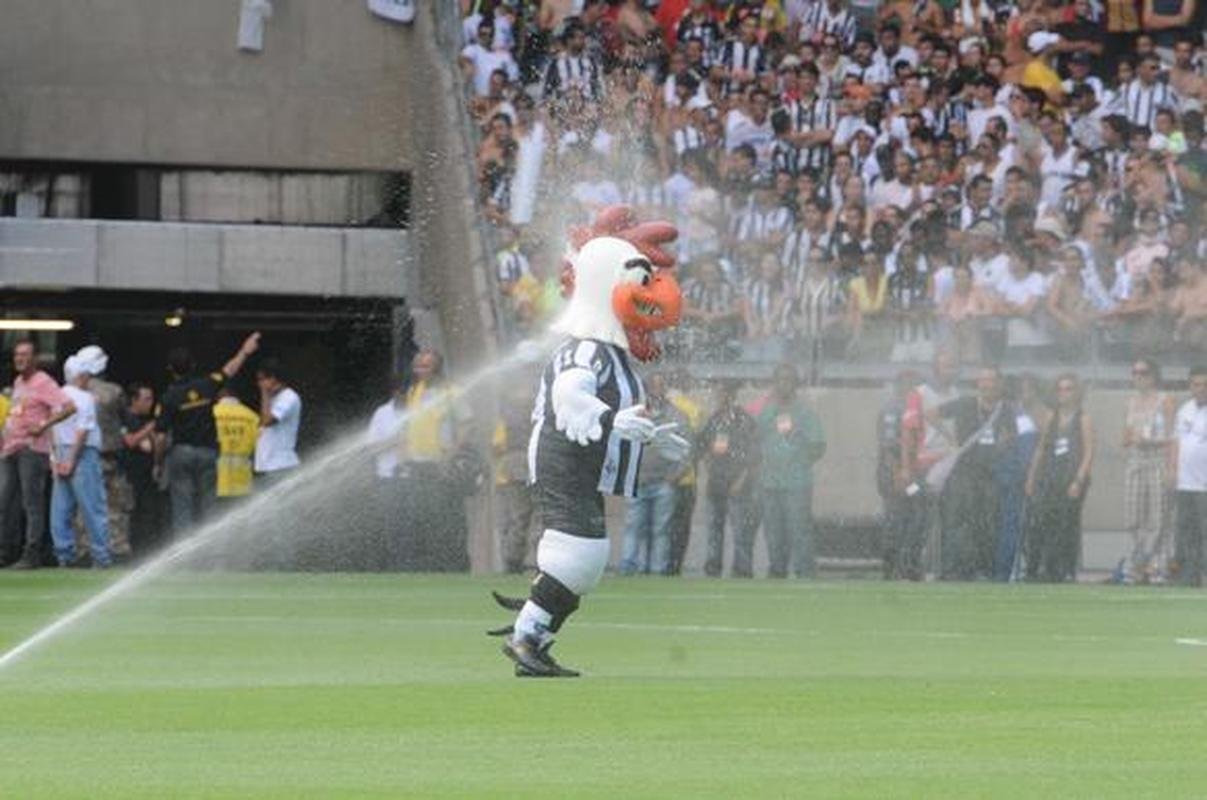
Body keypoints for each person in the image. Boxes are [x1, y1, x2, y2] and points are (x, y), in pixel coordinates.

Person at [495, 207, 688, 678]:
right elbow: (568, 393)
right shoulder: (586, 347)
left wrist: (651, 437)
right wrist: (611, 419)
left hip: (581, 459)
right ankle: (526, 634)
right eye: (640, 279)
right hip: (564, 455)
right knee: (580, 554)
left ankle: (535, 631)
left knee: (586, 557)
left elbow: (619, 413)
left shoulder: (611, 352)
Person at [155, 333, 260, 537]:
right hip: (208, 453)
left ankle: (183, 555)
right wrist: (244, 351)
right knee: (210, 506)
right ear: (193, 365)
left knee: (182, 507)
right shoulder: (207, 384)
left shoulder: (168, 397)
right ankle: (211, 557)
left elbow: (160, 436)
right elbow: (229, 370)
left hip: (181, 454)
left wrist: (158, 463)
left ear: (170, 369)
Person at [928, 365, 1017, 580]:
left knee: (986, 522)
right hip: (963, 472)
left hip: (988, 473)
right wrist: (950, 438)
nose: (986, 385)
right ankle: (954, 569)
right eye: (982, 380)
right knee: (958, 521)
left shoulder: (1005, 409)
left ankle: (982, 569)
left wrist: (1003, 446)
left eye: (991, 380)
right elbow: (931, 413)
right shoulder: (966, 403)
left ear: (999, 384)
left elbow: (1011, 435)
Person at [398, 349, 477, 572]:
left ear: (438, 368)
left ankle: (455, 567)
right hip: (417, 465)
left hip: (442, 466)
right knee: (420, 517)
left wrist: (452, 453)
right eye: (418, 366)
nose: (420, 371)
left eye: (426, 366)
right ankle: (426, 567)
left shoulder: (452, 392)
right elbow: (408, 425)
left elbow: (467, 424)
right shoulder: (414, 391)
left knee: (448, 518)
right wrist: (403, 452)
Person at [1, 340, 76, 568]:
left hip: (31, 449)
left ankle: (32, 553)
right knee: (5, 501)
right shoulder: (18, 382)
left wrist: (44, 425)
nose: (19, 359)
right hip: (11, 448)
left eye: (24, 355)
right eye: (17, 355)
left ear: (35, 359)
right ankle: (6, 551)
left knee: (31, 503)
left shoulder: (43, 381)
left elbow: (69, 407)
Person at [756, 363, 826, 579]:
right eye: (780, 380)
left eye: (788, 380)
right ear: (774, 384)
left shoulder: (805, 414)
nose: (784, 384)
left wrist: (798, 451)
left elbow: (818, 447)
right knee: (774, 534)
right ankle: (777, 572)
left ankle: (805, 574)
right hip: (770, 483)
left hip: (796, 484)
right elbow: (756, 443)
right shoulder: (766, 413)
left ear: (795, 384)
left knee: (799, 532)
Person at [618, 373, 689, 575]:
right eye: (652, 386)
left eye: (660, 386)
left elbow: (687, 449)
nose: (656, 391)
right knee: (633, 527)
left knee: (661, 530)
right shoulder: (634, 414)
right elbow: (622, 442)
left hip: (664, 483)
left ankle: (658, 569)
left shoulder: (676, 415)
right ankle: (628, 567)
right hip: (637, 482)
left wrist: (674, 476)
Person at [1025, 374, 1094, 582]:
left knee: (1067, 524)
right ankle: (1043, 567)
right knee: (1044, 522)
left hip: (1071, 476)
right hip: (1051, 474)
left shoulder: (1083, 418)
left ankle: (1065, 569)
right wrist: (1031, 477)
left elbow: (1089, 451)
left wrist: (1078, 480)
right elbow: (1041, 448)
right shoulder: (1051, 417)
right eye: (1061, 389)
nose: (1064, 393)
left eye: (1069, 388)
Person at [1118, 357, 1176, 583]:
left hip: (1158, 460)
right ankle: (1137, 564)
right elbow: (1125, 435)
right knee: (1133, 517)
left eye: (1142, 373)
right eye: (1134, 373)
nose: (1138, 377)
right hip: (1135, 461)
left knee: (1159, 516)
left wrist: (1152, 441)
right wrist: (1129, 438)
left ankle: (1158, 567)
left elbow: (1173, 437)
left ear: (1153, 376)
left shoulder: (1166, 400)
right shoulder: (1130, 402)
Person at [49, 356, 110, 568]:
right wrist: (72, 460)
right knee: (93, 507)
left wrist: (55, 460)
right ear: (82, 376)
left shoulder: (56, 396)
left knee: (60, 509)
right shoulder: (85, 398)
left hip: (59, 451)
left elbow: (49, 429)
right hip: (83, 453)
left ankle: (64, 556)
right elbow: (83, 431)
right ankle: (101, 556)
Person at [73, 345, 133, 562]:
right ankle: (116, 548)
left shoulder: (74, 392)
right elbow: (127, 419)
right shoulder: (114, 392)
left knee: (83, 504)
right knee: (114, 505)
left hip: (80, 455)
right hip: (110, 457)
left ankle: (83, 549)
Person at [696, 379, 760, 577]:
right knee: (714, 531)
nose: (718, 397)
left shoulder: (744, 420)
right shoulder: (714, 419)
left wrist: (741, 480)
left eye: (722, 393)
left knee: (740, 531)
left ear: (732, 395)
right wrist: (708, 466)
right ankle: (713, 568)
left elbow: (753, 455)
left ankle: (742, 570)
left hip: (738, 485)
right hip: (716, 484)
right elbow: (702, 446)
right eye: (717, 393)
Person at [492, 379, 538, 574]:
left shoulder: (507, 421)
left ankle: (512, 560)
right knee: (523, 519)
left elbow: (496, 447)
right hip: (526, 472)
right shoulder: (536, 420)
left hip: (510, 473)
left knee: (515, 519)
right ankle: (515, 560)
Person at [1171, 365, 1207, 587]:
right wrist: (1172, 470)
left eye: (1205, 384)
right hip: (1186, 483)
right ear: (1190, 386)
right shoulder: (1184, 410)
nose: (1201, 388)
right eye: (1196, 384)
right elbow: (1177, 442)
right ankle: (1190, 574)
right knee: (1187, 532)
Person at [119, 383, 163, 557]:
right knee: (130, 513)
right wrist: (151, 428)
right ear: (134, 400)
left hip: (147, 474)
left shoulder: (147, 420)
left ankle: (146, 552)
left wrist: (157, 462)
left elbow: (153, 447)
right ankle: (129, 551)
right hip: (129, 474)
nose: (150, 403)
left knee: (148, 512)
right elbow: (130, 441)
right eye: (146, 399)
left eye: (152, 399)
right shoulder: (125, 418)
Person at [254, 357, 302, 486]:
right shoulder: (275, 398)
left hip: (280, 466)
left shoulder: (288, 397)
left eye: (262, 379)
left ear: (273, 378)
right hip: (270, 466)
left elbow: (268, 421)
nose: (259, 384)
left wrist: (264, 393)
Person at [213, 386, 259, 503]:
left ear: (218, 398)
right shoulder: (252, 416)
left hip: (216, 478)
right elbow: (260, 447)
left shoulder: (211, 414)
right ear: (237, 398)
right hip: (242, 477)